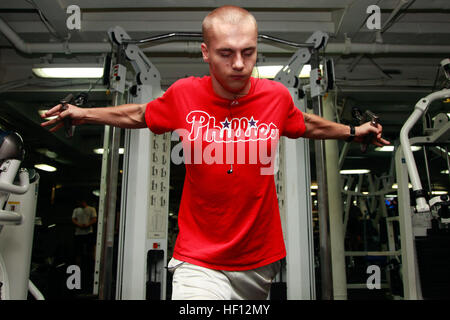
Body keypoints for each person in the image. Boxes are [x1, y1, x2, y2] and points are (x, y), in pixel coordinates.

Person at [41, 5, 389, 300]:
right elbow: (138, 114)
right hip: (199, 259)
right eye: (226, 53)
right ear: (206, 52)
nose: (239, 63)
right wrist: (83, 113)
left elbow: (304, 123)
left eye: (248, 52)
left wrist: (353, 131)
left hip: (259, 260)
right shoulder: (184, 94)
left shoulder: (275, 97)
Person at [72, 199, 97, 292]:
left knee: (90, 251)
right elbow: (73, 219)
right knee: (78, 253)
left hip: (88, 233)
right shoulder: (76, 210)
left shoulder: (91, 209)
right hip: (78, 233)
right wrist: (79, 225)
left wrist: (87, 224)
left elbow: (94, 219)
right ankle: (78, 271)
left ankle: (91, 268)